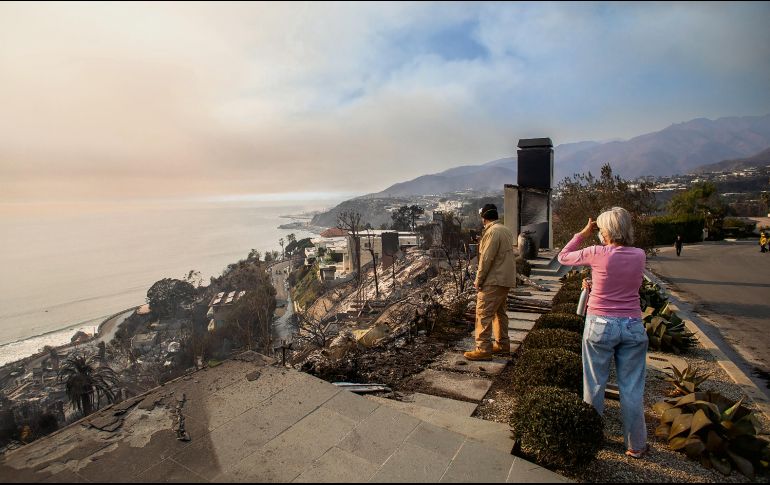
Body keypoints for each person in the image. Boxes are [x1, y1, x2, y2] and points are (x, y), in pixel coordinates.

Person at [557, 207, 648, 459]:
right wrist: (596, 283)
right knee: (632, 388)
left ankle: (591, 439)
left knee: (594, 384)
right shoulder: (639, 255)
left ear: (604, 231)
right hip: (632, 324)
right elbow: (625, 283)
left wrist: (583, 233)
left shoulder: (597, 252)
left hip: (600, 323)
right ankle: (636, 444)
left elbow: (563, 257)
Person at [464, 204, 516, 361]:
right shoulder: (505, 230)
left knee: (483, 313)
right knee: (499, 313)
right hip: (505, 279)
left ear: (483, 218)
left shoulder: (491, 232)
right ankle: (502, 345)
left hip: (494, 279)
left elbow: (486, 258)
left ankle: (483, 349)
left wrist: (479, 279)